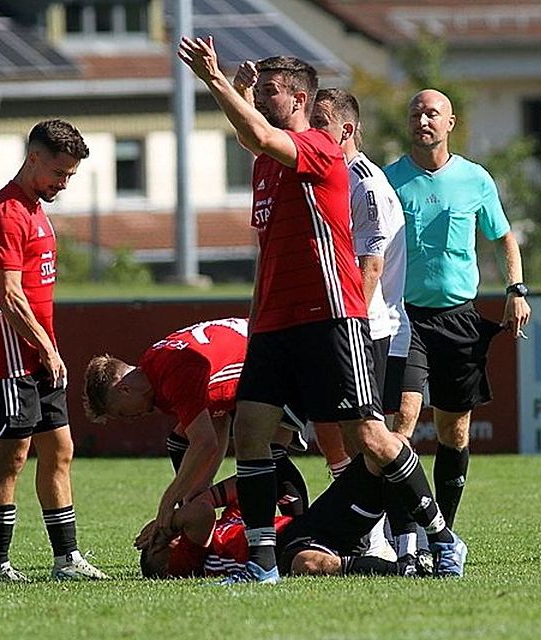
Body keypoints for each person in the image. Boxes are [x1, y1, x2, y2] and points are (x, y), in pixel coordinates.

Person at [178, 36, 466, 585]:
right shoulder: (265, 163)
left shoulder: (318, 147)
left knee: (370, 439)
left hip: (331, 317)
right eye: (257, 92)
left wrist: (215, 79)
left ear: (299, 99)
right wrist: (233, 91)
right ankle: (263, 565)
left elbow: (259, 133)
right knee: (254, 435)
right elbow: (252, 137)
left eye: (268, 92)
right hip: (274, 323)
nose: (260, 100)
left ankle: (441, 537)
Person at [383, 89, 531, 561]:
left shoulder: (474, 179)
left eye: (432, 113)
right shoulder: (388, 181)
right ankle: (403, 534)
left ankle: (440, 532)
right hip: (404, 317)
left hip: (458, 318)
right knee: (401, 421)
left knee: (455, 431)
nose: (422, 119)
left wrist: (516, 289)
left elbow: (504, 237)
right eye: (415, 113)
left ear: (451, 123)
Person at [0, 119, 108, 581]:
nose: (63, 183)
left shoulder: (35, 209)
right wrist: (47, 348)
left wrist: (48, 351)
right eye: (58, 172)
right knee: (10, 457)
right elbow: (8, 296)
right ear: (32, 158)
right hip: (9, 359)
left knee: (60, 450)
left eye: (70, 176)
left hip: (40, 356)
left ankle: (66, 558)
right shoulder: (5, 212)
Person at [82, 317, 311, 534]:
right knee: (182, 441)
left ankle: (303, 537)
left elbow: (205, 443)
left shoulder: (174, 373)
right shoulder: (153, 364)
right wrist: (198, 493)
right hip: (265, 354)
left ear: (124, 389)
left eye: (122, 413)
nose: (130, 418)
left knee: (269, 458)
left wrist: (169, 501)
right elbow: (216, 420)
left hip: (282, 360)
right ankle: (197, 522)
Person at [309, 88, 408, 561]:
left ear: (345, 130)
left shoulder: (365, 184)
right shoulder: (329, 174)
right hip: (341, 322)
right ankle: (373, 531)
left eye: (321, 122)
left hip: (366, 326)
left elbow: (370, 265)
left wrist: (348, 324)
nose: (311, 130)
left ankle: (403, 534)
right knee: (348, 433)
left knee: (370, 435)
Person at [136, 455, 401, 579]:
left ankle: (416, 539)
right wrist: (167, 523)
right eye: (156, 546)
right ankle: (400, 570)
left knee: (377, 455)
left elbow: (252, 485)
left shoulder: (225, 524)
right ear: (162, 566)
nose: (160, 539)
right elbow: (201, 514)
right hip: (285, 550)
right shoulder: (184, 564)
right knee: (307, 564)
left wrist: (210, 498)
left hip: (305, 526)